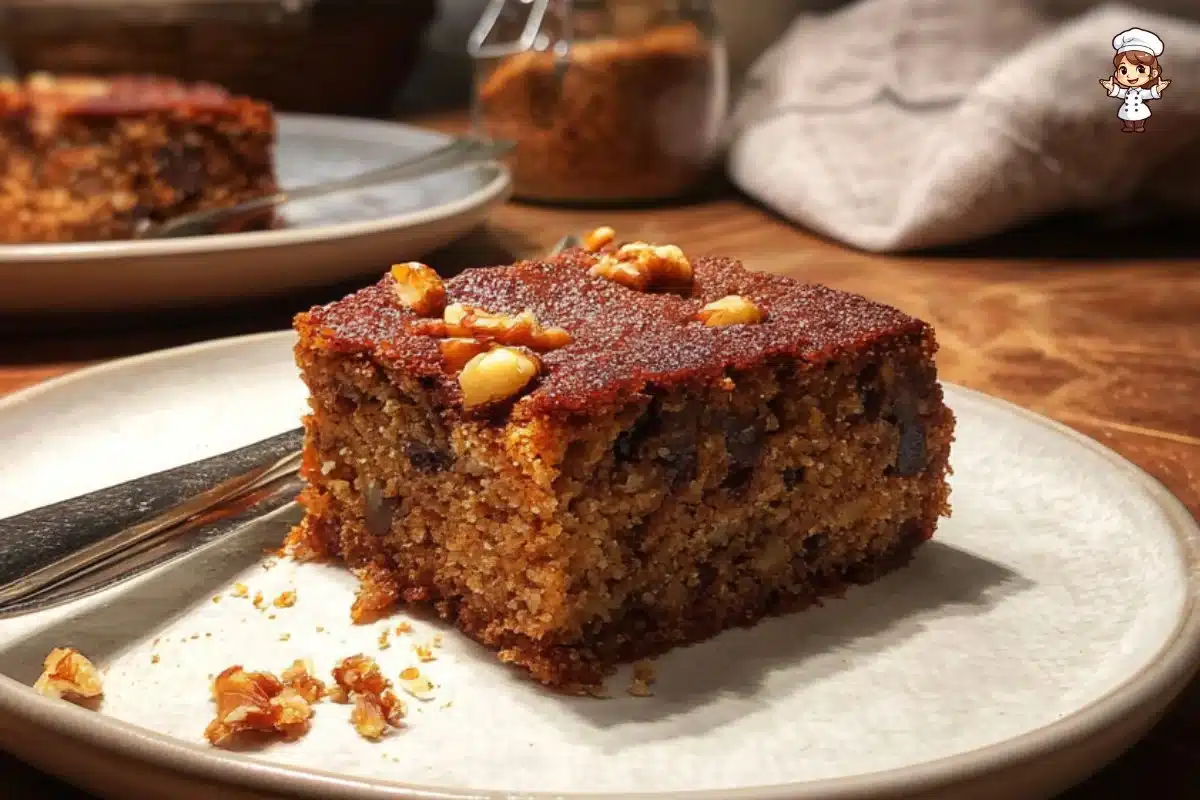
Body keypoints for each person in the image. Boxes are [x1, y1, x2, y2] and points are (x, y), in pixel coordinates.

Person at [1100, 28, 1172, 133]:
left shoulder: (1142, 92)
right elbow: (1120, 92)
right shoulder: (1127, 91)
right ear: (1116, 73)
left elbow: (1148, 94)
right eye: (1123, 70)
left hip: (1139, 111)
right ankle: (1129, 126)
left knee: (1140, 119)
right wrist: (1111, 88)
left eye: (1140, 69)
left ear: (1153, 73)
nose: (1131, 76)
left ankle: (1139, 126)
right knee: (1127, 119)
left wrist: (1157, 89)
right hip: (1127, 111)